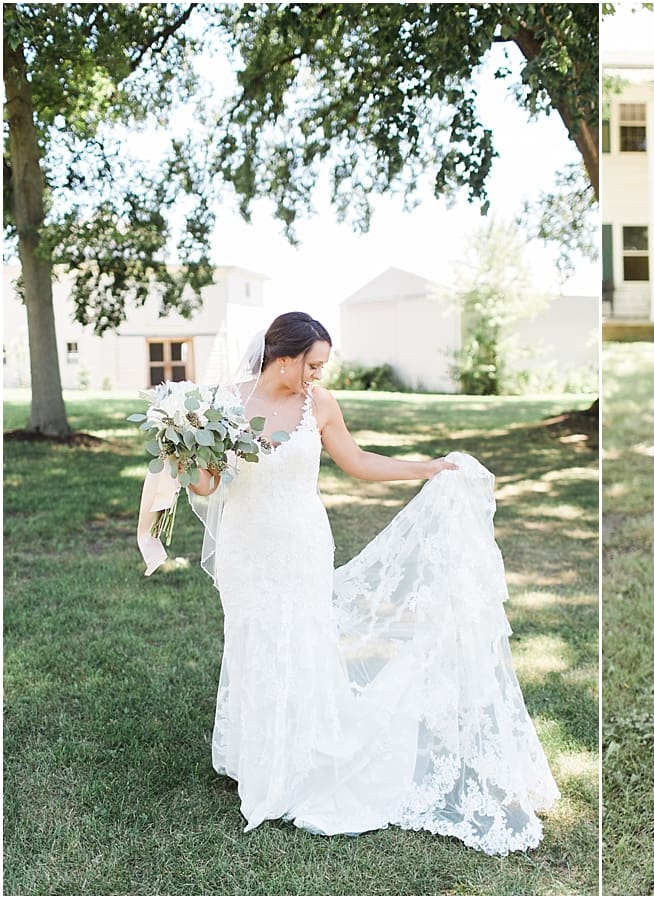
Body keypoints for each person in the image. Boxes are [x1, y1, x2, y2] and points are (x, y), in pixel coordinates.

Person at [182, 311, 559, 854]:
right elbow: (207, 485)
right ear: (282, 357)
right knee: (254, 638)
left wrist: (425, 468)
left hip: (303, 545)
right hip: (247, 548)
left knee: (304, 639)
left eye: (322, 366)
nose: (317, 374)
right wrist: (182, 456)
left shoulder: (321, 404)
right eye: (311, 364)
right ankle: (259, 757)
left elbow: (356, 461)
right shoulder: (223, 405)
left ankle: (305, 755)